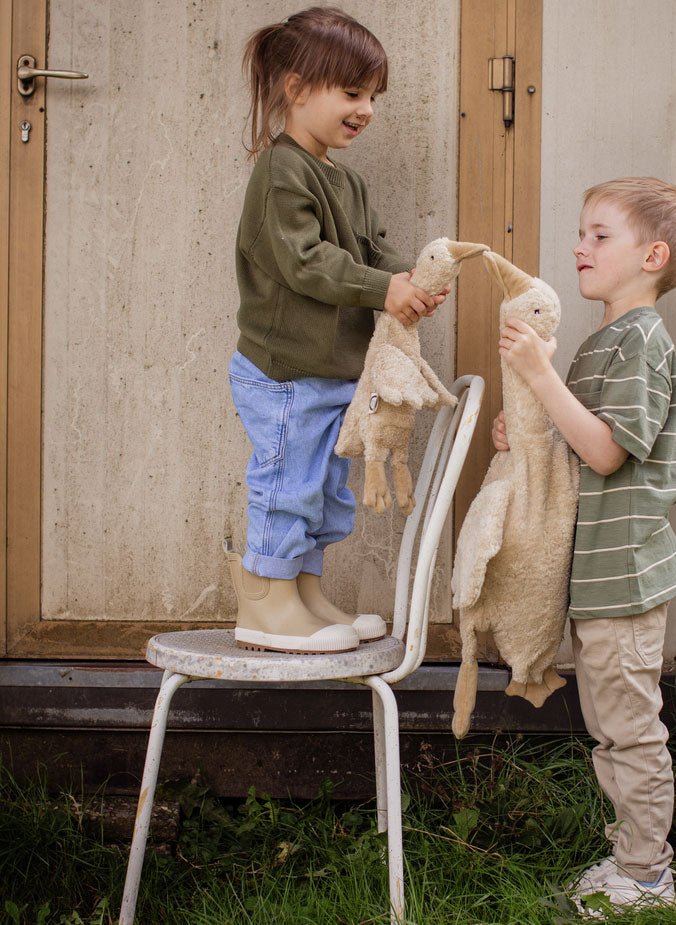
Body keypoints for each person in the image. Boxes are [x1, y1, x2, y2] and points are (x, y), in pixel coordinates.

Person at [492, 177, 676, 913]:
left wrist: (538, 372)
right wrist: (525, 428)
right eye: (580, 233)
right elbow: (575, 443)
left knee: (627, 732)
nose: (579, 247)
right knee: (611, 731)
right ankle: (631, 859)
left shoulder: (642, 340)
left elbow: (609, 452)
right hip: (599, 576)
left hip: (624, 575)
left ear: (651, 255)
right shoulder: (604, 340)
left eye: (598, 235)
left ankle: (647, 875)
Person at [228, 7, 445, 655]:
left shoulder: (345, 180)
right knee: (286, 480)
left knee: (322, 490)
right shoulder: (280, 172)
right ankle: (264, 601)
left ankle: (304, 593)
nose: (367, 109)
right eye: (352, 93)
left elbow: (370, 252)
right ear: (296, 89)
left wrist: (411, 275)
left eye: (372, 96)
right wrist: (386, 290)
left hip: (326, 372)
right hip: (285, 372)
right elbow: (305, 262)